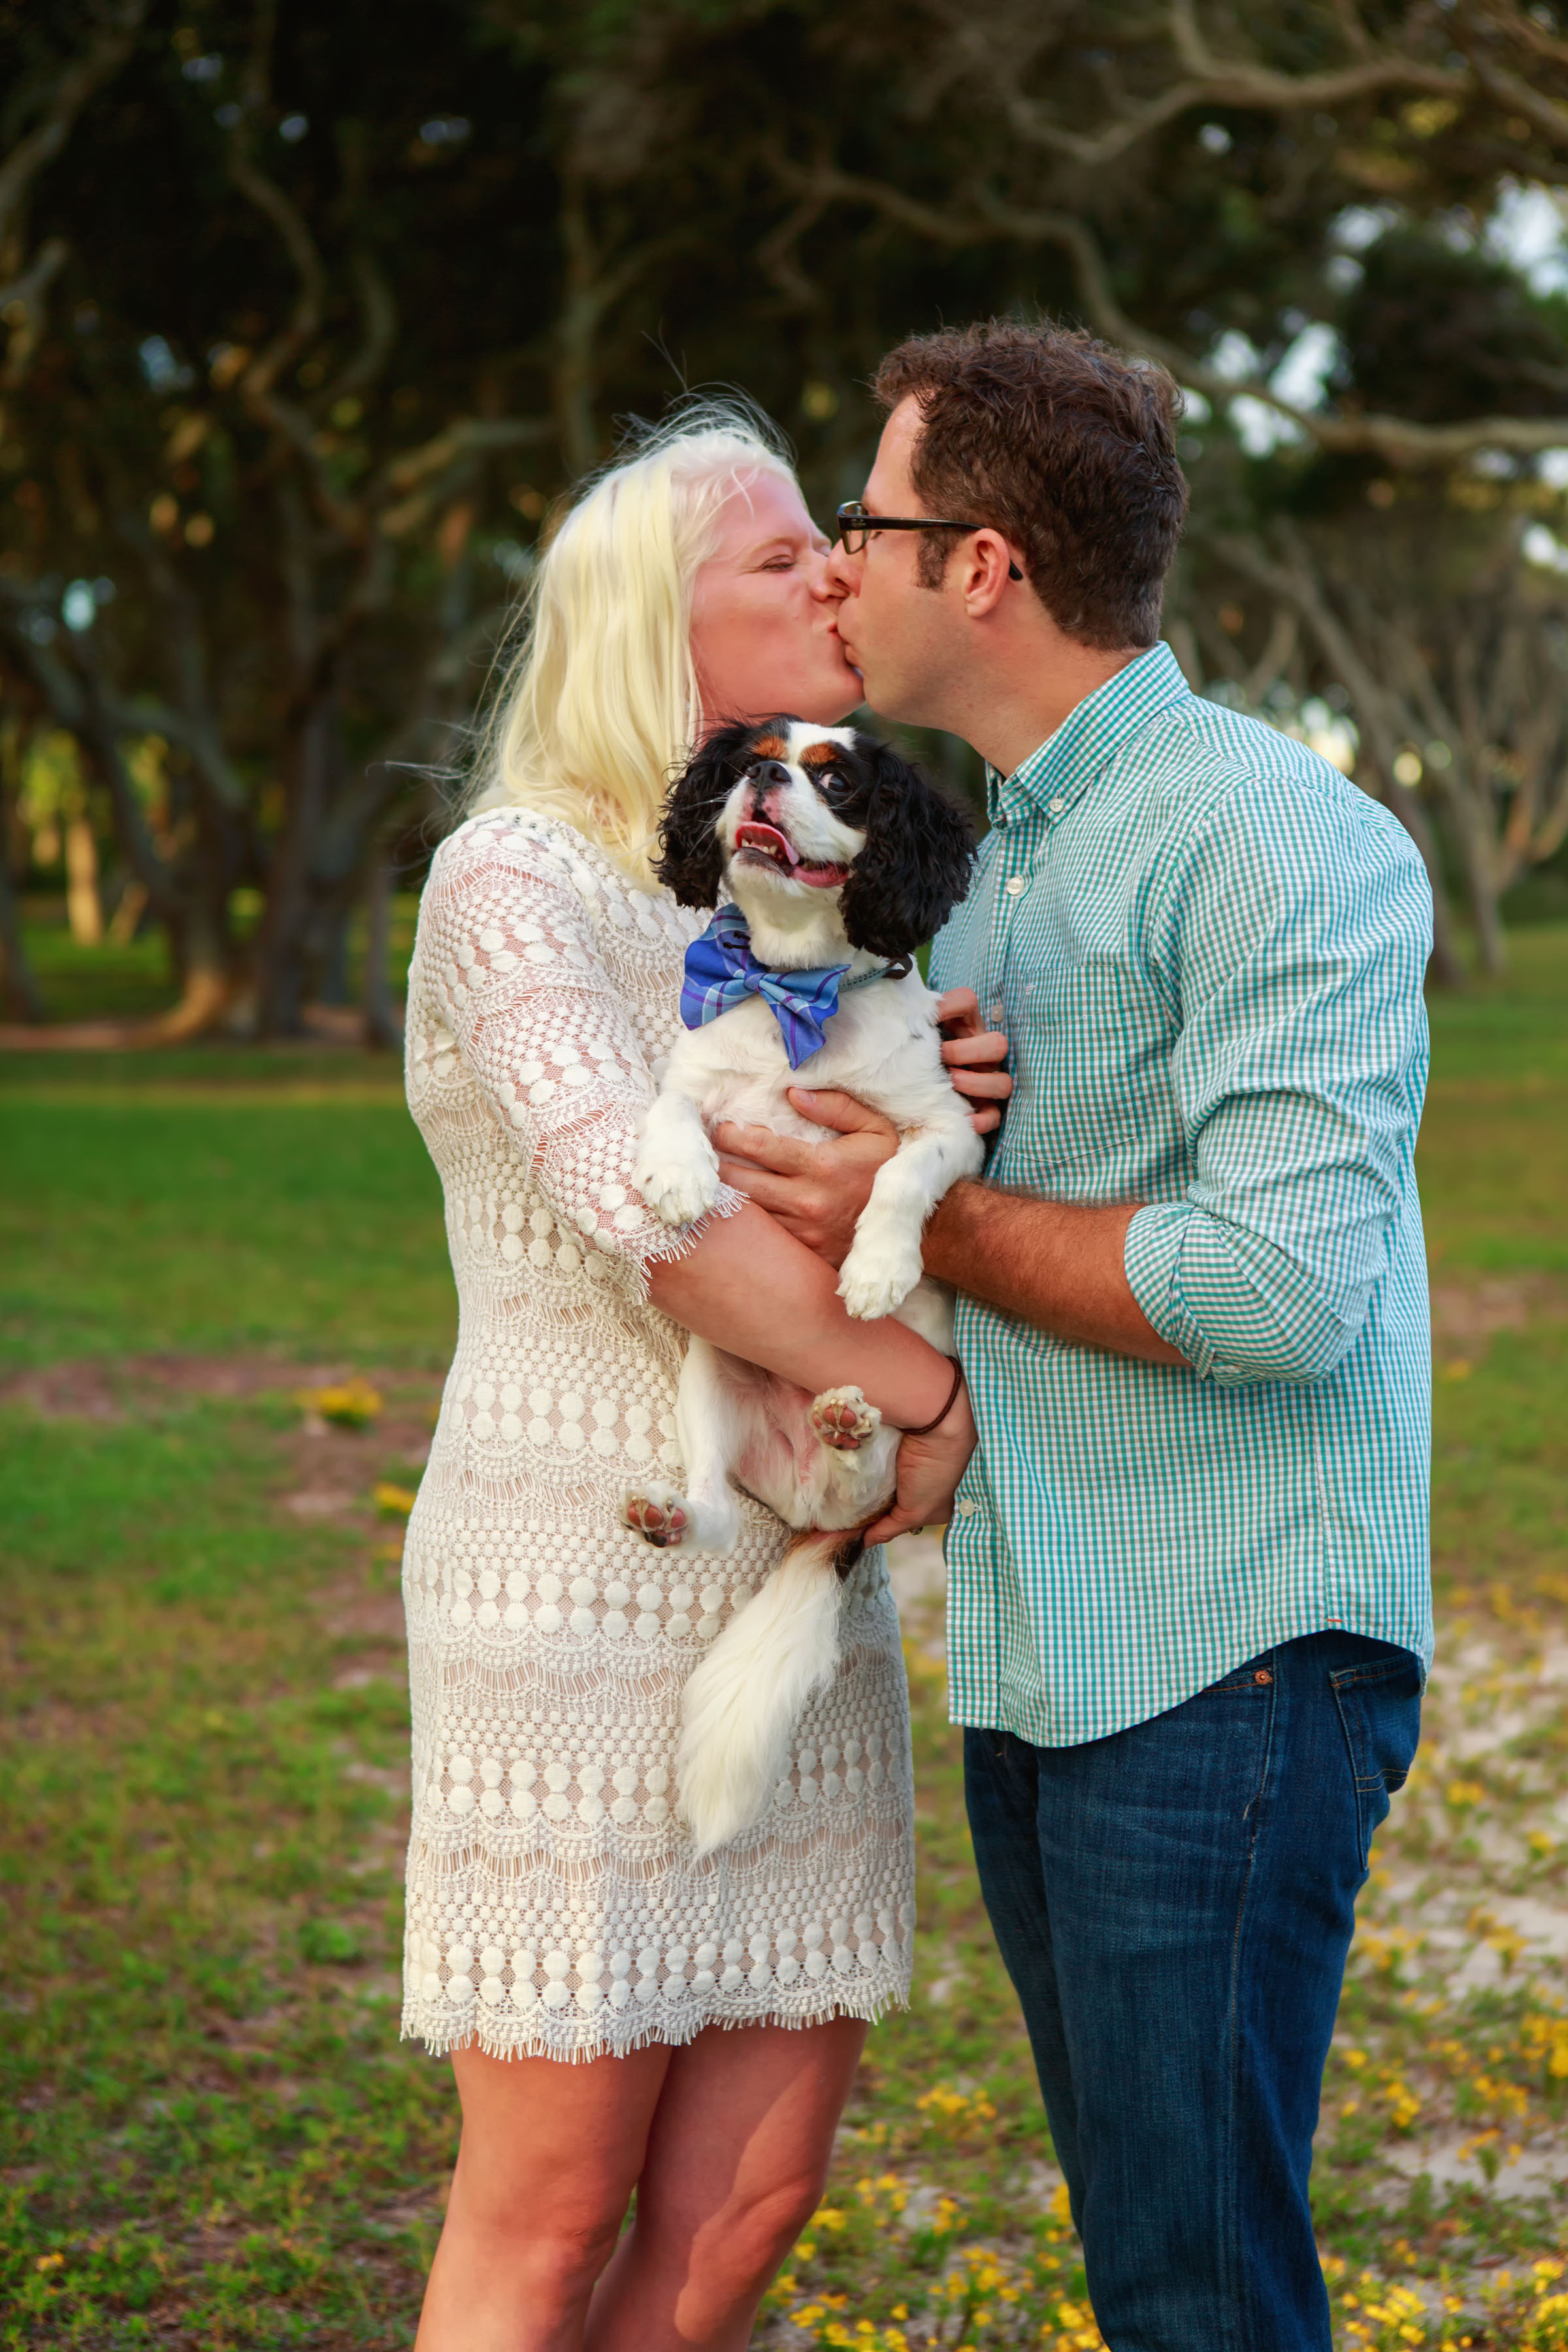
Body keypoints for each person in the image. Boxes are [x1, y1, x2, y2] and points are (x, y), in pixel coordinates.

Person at [715, 323, 1433, 2351]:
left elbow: (1281, 1292)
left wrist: (912, 1203)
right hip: (1055, 1642)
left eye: (864, 521)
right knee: (1153, 2264)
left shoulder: (1273, 838)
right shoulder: (988, 861)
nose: (836, 561)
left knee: (1197, 2290)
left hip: (1235, 1649)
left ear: (987, 569)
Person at [399, 401, 1006, 2352]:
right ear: (653, 628)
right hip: (572, 1585)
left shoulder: (820, 899)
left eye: (830, 545)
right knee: (554, 2208)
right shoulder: (516, 881)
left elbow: (890, 1157)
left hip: (788, 1597)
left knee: (748, 2208)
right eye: (778, 559)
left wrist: (940, 1102)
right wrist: (918, 1392)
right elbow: (643, 1212)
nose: (835, 574)